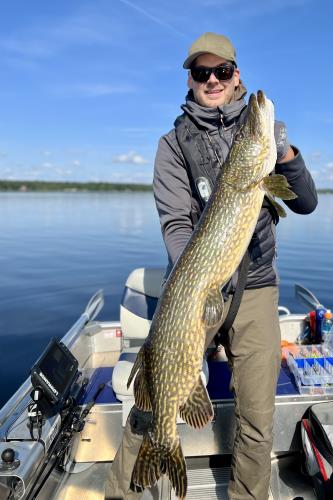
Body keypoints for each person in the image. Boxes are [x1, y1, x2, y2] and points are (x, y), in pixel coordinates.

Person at [105, 32, 317, 500]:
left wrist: (282, 153)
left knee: (257, 421)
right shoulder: (172, 144)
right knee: (152, 403)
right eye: (203, 73)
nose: (214, 80)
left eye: (222, 71)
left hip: (257, 287)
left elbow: (306, 202)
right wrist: (193, 276)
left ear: (236, 74)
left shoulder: (258, 149)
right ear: (191, 79)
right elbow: (177, 223)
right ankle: (120, 493)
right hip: (195, 291)